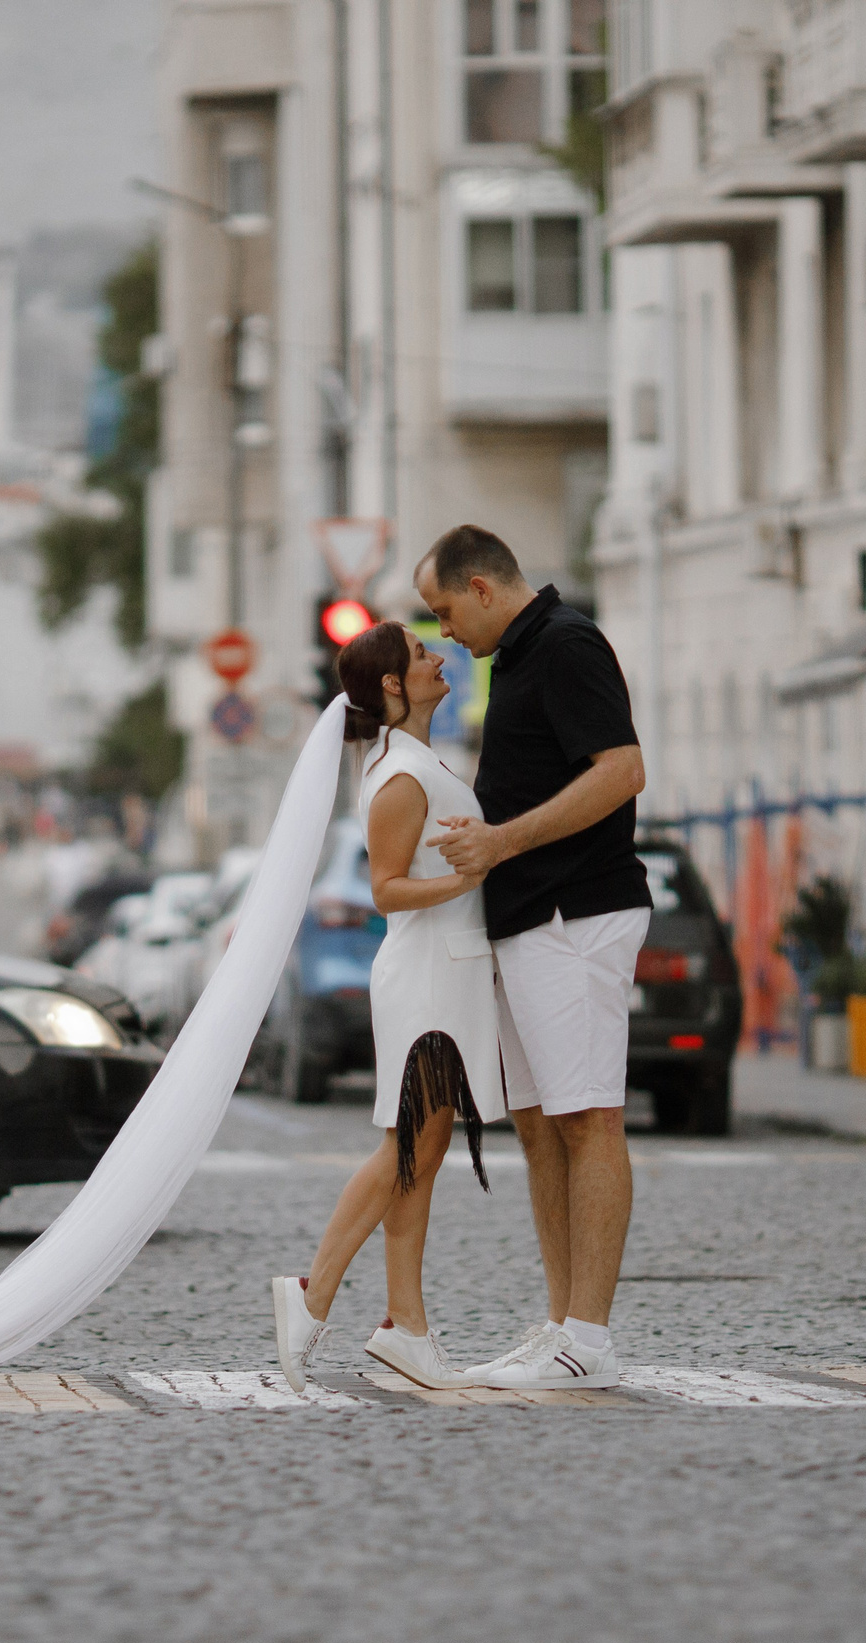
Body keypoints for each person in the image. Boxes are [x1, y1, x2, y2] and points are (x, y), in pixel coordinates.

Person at [416, 525, 649, 1390]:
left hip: (574, 913)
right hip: (526, 918)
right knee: (541, 1123)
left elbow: (622, 770)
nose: (444, 632)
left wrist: (503, 841)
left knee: (588, 1118)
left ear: (482, 588)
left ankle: (589, 1339)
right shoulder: (514, 657)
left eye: (445, 611)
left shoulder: (565, 643)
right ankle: (561, 1326)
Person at [271, 622, 501, 1393]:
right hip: (428, 975)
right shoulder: (401, 774)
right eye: (423, 654)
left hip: (448, 972)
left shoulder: (417, 761)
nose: (441, 658)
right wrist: (469, 879)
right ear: (395, 684)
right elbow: (386, 889)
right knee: (404, 1149)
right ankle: (313, 1292)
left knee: (420, 1155)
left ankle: (407, 1326)